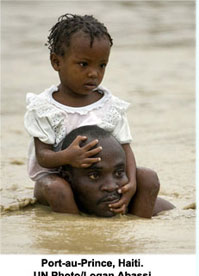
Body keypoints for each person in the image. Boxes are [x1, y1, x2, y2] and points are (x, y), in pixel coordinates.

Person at [24, 13, 170, 216]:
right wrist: (68, 157)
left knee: (149, 177)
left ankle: (135, 223)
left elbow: (126, 149)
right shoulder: (44, 108)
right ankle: (77, 229)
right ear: (56, 62)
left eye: (102, 65)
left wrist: (131, 184)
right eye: (84, 64)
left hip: (105, 181)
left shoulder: (111, 106)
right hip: (60, 182)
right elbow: (43, 157)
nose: (94, 73)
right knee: (56, 189)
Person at [61, 125, 174, 218]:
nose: (111, 187)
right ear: (67, 178)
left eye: (119, 173)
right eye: (94, 175)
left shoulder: (160, 210)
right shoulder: (55, 212)